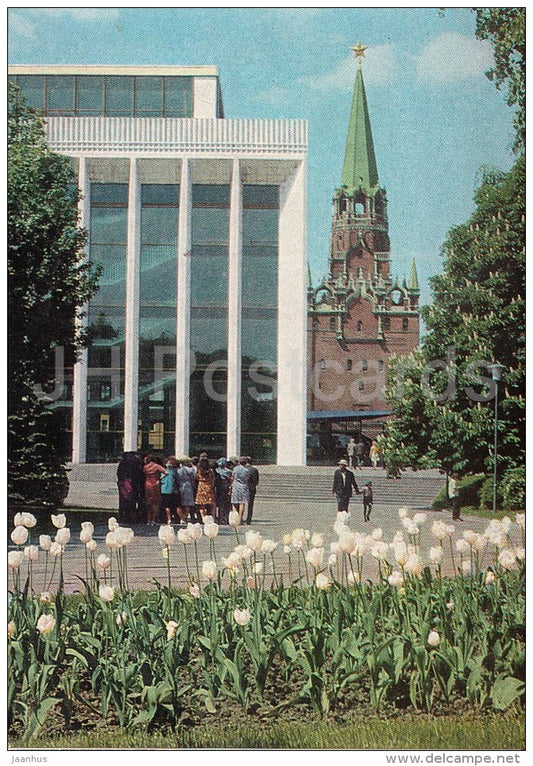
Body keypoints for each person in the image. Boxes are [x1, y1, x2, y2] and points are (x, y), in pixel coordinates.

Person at [116, 451, 144, 524]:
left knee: (124, 501)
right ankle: (130, 516)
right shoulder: (135, 463)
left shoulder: (123, 464)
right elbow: (139, 474)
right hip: (131, 484)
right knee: (131, 501)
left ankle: (125, 516)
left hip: (125, 483)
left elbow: (119, 474)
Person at [143, 454, 167, 525]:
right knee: (156, 502)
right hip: (156, 483)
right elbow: (166, 472)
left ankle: (148, 519)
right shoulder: (157, 466)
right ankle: (154, 519)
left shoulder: (146, 467)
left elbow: (144, 472)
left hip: (147, 483)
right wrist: (161, 478)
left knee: (148, 502)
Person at [195, 454, 216, 520]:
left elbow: (196, 478)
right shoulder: (211, 471)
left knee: (201, 504)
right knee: (212, 503)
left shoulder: (198, 470)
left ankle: (203, 517)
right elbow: (213, 479)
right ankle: (212, 517)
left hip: (201, 487)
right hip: (208, 486)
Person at [176, 456, 198, 524]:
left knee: (179, 505)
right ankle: (185, 518)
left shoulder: (178, 470)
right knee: (187, 504)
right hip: (188, 487)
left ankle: (181, 518)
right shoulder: (190, 470)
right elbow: (193, 479)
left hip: (179, 487)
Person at [160, 456, 180, 524]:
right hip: (173, 490)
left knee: (166, 505)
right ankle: (175, 518)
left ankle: (168, 519)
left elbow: (160, 479)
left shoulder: (162, 471)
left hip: (164, 490)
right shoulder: (175, 471)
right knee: (173, 506)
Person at [231, 456, 250, 524]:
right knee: (242, 502)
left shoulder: (235, 469)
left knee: (234, 502)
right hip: (243, 486)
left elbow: (232, 476)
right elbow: (247, 478)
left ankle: (234, 518)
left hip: (235, 486)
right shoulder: (246, 470)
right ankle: (240, 518)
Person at [214, 457, 232, 524]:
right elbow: (230, 480)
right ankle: (222, 518)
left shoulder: (216, 471)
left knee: (217, 504)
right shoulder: (228, 472)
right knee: (224, 505)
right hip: (224, 488)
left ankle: (217, 518)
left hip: (217, 488)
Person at [244, 456, 259, 525]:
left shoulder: (243, 469)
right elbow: (257, 480)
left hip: (244, 488)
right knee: (250, 505)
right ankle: (248, 519)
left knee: (240, 503)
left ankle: (239, 518)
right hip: (252, 488)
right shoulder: (254, 470)